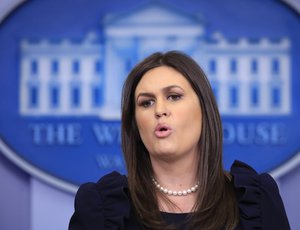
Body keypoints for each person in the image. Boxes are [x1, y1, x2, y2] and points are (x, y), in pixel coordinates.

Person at [69, 51, 290, 230]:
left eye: (174, 96)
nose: (160, 110)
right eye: (146, 103)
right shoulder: (102, 207)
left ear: (205, 111)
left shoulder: (255, 201)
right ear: (135, 124)